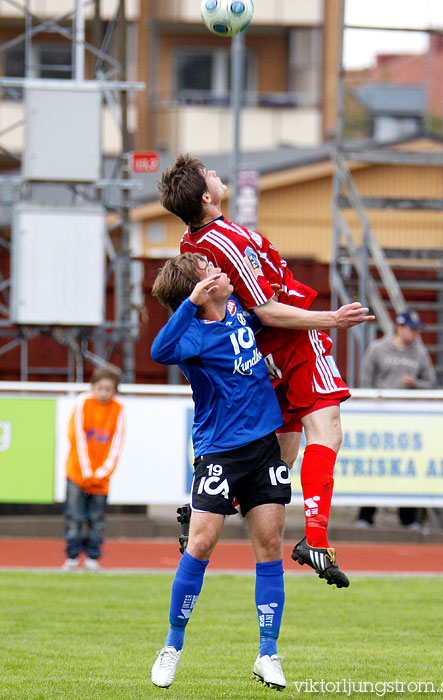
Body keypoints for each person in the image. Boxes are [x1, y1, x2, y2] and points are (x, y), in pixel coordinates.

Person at [158, 154, 374, 588]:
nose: (218, 174)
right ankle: (315, 539)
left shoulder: (191, 241)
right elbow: (266, 310)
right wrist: (332, 319)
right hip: (289, 337)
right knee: (327, 429)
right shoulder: (226, 239)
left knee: (281, 455)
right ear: (205, 196)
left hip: (257, 350)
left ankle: (209, 506)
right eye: (210, 175)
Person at [150, 253, 291, 689]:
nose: (222, 272)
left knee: (270, 545)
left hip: (265, 447)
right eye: (211, 271)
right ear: (202, 288)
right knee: (202, 543)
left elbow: (277, 312)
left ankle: (268, 653)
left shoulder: (241, 311)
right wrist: (190, 302)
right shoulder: (192, 335)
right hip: (219, 453)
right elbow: (160, 351)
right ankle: (172, 645)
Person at [357, 309, 436, 529]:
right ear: (399, 327)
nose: (415, 334)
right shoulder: (377, 348)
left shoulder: (419, 353)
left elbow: (431, 382)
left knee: (408, 466)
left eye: (417, 330)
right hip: (380, 417)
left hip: (407, 419)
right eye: (411, 329)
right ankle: (366, 514)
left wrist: (415, 384)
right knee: (374, 465)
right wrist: (372, 405)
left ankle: (409, 517)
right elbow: (365, 382)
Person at [62, 365, 126, 571]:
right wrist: (87, 470)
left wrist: (102, 472)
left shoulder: (119, 408)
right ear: (93, 386)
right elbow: (77, 437)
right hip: (77, 474)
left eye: (109, 389)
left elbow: (117, 442)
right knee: (74, 516)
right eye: (101, 388)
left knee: (97, 519)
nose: (104, 393)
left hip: (101, 479)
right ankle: (71, 558)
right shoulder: (82, 403)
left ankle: (92, 558)